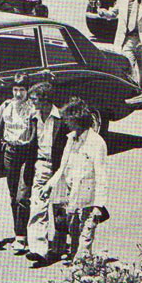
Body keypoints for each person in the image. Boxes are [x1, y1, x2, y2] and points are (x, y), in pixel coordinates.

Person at [40, 97, 108, 264]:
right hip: (72, 194)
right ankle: (79, 260)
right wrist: (49, 185)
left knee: (87, 230)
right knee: (74, 229)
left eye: (69, 121)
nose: (66, 124)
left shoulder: (96, 142)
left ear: (78, 120)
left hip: (89, 197)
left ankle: (82, 262)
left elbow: (101, 175)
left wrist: (99, 204)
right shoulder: (70, 138)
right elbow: (62, 167)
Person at [0, 75, 34, 254]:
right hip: (10, 152)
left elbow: (35, 133)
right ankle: (19, 233)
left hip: (27, 153)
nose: (18, 93)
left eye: (22, 90)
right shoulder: (6, 106)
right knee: (13, 195)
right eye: (15, 90)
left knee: (23, 196)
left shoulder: (33, 108)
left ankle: (22, 235)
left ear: (27, 90)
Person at [24, 83, 69, 267]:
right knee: (37, 205)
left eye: (34, 99)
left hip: (61, 167)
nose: (31, 102)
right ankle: (38, 249)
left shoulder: (62, 119)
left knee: (59, 209)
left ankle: (58, 248)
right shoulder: (33, 117)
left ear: (44, 99)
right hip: (41, 165)